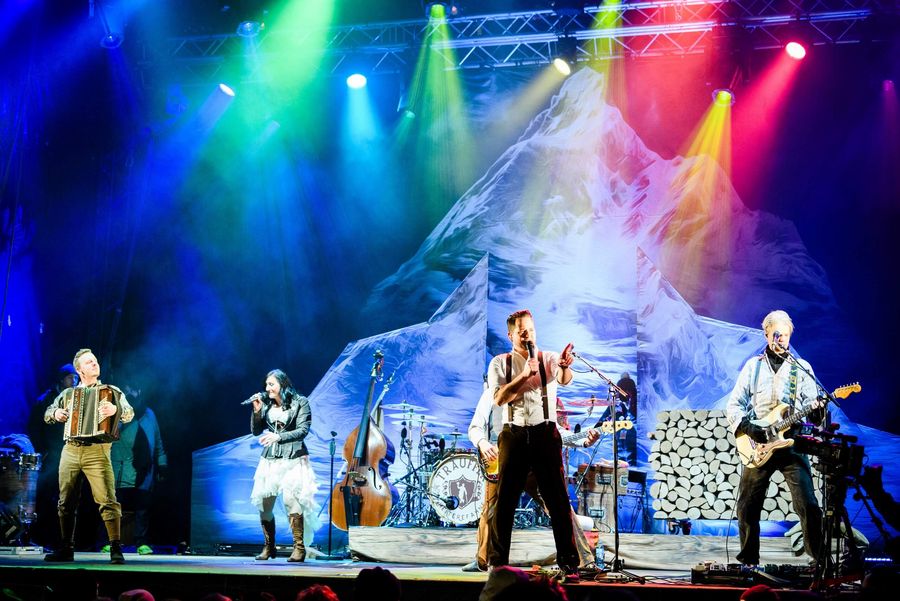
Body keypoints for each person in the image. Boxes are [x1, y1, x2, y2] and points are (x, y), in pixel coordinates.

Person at [725, 310, 824, 566]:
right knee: (747, 505)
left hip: (791, 443)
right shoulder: (753, 366)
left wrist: (817, 411)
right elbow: (734, 405)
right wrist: (749, 428)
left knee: (808, 505)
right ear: (766, 334)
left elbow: (814, 414)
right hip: (758, 445)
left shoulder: (802, 369)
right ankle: (749, 561)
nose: (780, 339)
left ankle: (819, 561)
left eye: (785, 335)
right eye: (776, 334)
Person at [487, 309, 580, 579]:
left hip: (544, 434)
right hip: (514, 434)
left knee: (558, 501)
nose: (528, 334)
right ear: (511, 335)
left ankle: (569, 563)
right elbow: (500, 398)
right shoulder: (499, 363)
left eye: (530, 329)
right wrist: (523, 375)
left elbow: (563, 379)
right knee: (504, 502)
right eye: (522, 331)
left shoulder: (548, 358)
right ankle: (498, 564)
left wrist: (564, 366)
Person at [465, 388, 599, 572]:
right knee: (491, 511)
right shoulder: (493, 392)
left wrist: (583, 440)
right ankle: (483, 561)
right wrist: (483, 443)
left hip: (535, 463)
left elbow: (556, 432)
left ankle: (584, 560)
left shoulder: (539, 390)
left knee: (560, 508)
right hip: (501, 461)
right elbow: (475, 427)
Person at [42, 348, 134, 564]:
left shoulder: (111, 391)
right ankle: (66, 548)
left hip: (98, 450)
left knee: (107, 500)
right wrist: (55, 414)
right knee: (66, 502)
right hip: (71, 450)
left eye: (95, 361)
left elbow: (129, 413)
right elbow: (47, 413)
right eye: (89, 362)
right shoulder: (67, 394)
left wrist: (115, 410)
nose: (95, 364)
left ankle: (115, 548)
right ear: (79, 370)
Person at [250, 369, 320, 562]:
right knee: (264, 504)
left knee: (291, 501)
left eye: (271, 384)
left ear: (283, 384)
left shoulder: (300, 402)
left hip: (294, 458)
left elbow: (303, 430)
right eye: (266, 385)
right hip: (270, 459)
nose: (267, 388)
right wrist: (257, 411)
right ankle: (269, 547)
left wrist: (278, 436)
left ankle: (299, 548)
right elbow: (256, 432)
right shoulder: (267, 405)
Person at [103, 383, 168, 555]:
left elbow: (158, 441)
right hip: (120, 467)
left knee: (142, 507)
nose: (133, 393)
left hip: (144, 469)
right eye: (129, 390)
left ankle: (141, 542)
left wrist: (162, 464)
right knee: (117, 507)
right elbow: (109, 435)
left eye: (136, 389)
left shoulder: (149, 414)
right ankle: (112, 541)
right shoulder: (117, 412)